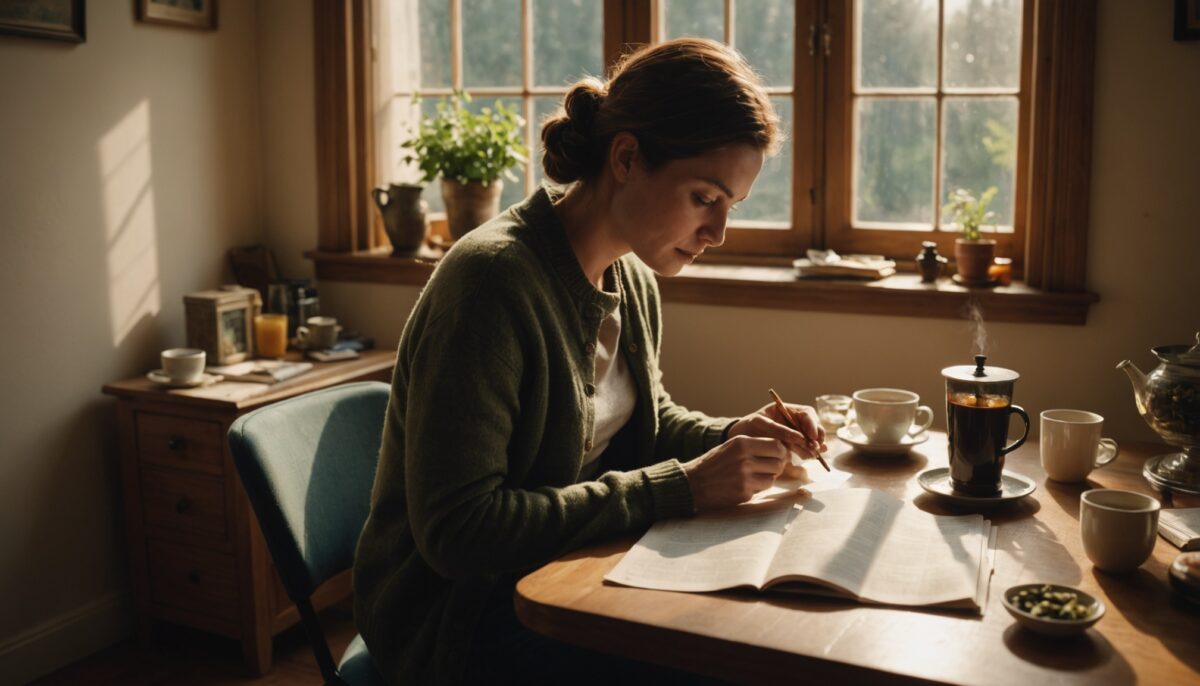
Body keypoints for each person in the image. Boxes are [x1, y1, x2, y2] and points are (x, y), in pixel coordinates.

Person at [353, 37, 828, 685]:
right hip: (458, 622)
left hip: (572, 573)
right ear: (627, 157)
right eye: (703, 198)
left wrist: (736, 436)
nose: (718, 234)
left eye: (731, 207)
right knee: (719, 663)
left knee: (772, 630)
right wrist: (684, 487)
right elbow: (458, 534)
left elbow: (646, 425)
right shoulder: (490, 283)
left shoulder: (631, 277)